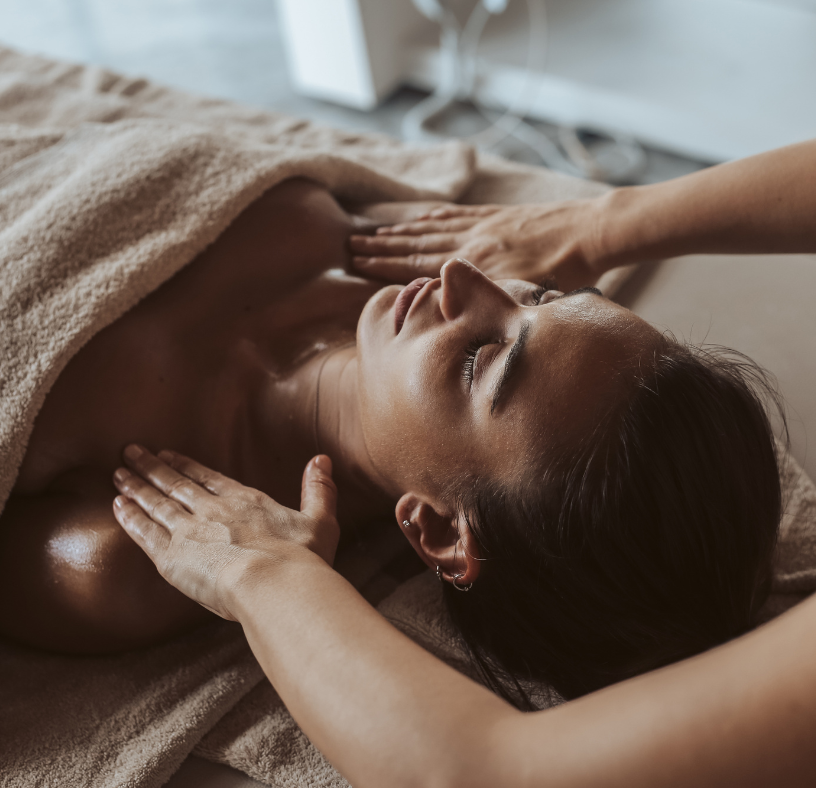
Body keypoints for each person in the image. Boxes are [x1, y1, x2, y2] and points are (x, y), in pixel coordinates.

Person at [109, 140, 816, 786]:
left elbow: (479, 772)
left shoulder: (116, 563)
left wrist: (263, 571)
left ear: (443, 533)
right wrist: (600, 224)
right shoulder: (309, 231)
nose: (462, 274)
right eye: (545, 295)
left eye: (482, 362)